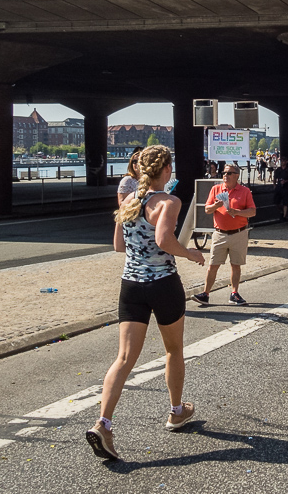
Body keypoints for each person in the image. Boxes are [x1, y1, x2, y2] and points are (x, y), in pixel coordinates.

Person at [85, 146, 204, 461]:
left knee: (124, 358)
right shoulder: (169, 201)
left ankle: (104, 423)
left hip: (131, 286)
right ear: (165, 169)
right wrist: (190, 253)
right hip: (163, 285)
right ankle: (176, 411)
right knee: (173, 350)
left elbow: (118, 245)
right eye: (171, 167)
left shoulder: (128, 202)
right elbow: (165, 240)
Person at [192, 164, 256, 307]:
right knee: (213, 265)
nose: (225, 175)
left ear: (237, 175)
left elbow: (252, 211)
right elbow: (207, 209)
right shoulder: (216, 189)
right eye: (224, 173)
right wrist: (216, 205)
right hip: (219, 233)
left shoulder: (244, 191)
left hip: (239, 233)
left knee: (236, 265)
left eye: (229, 173)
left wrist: (237, 212)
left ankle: (234, 293)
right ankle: (205, 294)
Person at [271, 155, 288, 221]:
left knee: (285, 202)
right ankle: (282, 211)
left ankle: (284, 216)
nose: (282, 162)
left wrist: (286, 181)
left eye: (283, 161)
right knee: (276, 202)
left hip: (286, 187)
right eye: (281, 161)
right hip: (279, 187)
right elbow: (274, 178)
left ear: (286, 162)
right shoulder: (278, 170)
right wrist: (274, 185)